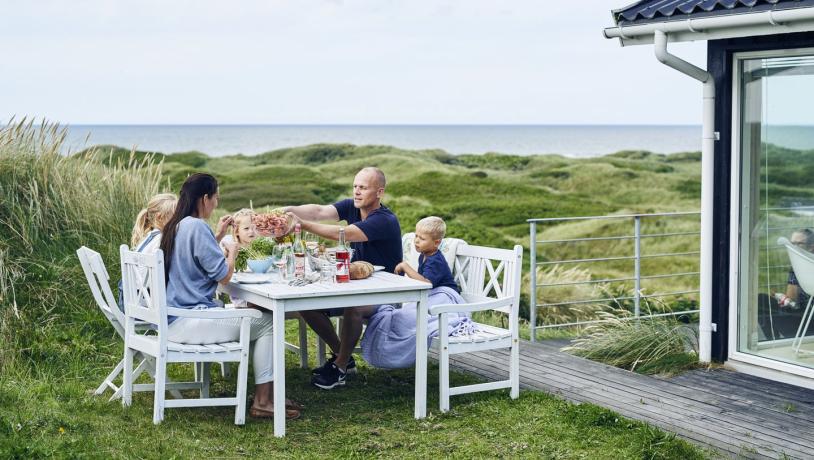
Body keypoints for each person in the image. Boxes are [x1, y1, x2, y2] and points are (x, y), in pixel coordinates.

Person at [159, 173, 300, 419]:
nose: (216, 203)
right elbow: (223, 276)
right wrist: (232, 251)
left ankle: (268, 395)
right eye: (215, 198)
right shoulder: (197, 226)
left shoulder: (176, 225)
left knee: (260, 318)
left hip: (173, 320)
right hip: (190, 322)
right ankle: (264, 401)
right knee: (269, 321)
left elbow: (196, 257)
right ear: (204, 198)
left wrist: (218, 235)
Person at [284, 167, 402, 389]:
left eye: (363, 188)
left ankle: (338, 369)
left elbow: (345, 234)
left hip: (386, 293)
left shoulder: (384, 220)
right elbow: (318, 211)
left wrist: (301, 225)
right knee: (306, 303)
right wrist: (285, 210)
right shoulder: (351, 206)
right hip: (358, 286)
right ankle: (343, 358)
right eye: (355, 186)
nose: (357, 192)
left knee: (354, 307)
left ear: (379, 192)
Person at [117, 193, 178, 311]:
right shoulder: (162, 241)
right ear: (160, 217)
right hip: (144, 304)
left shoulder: (149, 236)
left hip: (129, 300)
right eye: (175, 216)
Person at [394, 216, 459, 292]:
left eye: (422, 238)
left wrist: (405, 266)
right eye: (416, 236)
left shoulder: (435, 260)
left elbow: (426, 284)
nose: (416, 241)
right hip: (434, 293)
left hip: (446, 294)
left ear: (436, 243)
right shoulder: (423, 255)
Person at [219, 208, 257, 309]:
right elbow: (220, 261)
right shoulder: (232, 245)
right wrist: (227, 252)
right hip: (242, 298)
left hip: (260, 289)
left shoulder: (259, 248)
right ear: (237, 232)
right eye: (246, 228)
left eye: (254, 227)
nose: (251, 231)